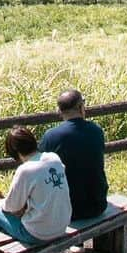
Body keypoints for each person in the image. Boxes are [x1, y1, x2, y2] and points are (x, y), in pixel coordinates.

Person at [0, 125, 72, 253]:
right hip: (62, 225)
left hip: (38, 234)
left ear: (16, 152)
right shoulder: (54, 158)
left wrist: (0, 201)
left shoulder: (25, 170)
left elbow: (10, 207)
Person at [38, 87, 108, 221]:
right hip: (98, 203)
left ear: (59, 111)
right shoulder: (96, 130)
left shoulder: (51, 136)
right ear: (81, 107)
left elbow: (38, 168)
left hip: (66, 208)